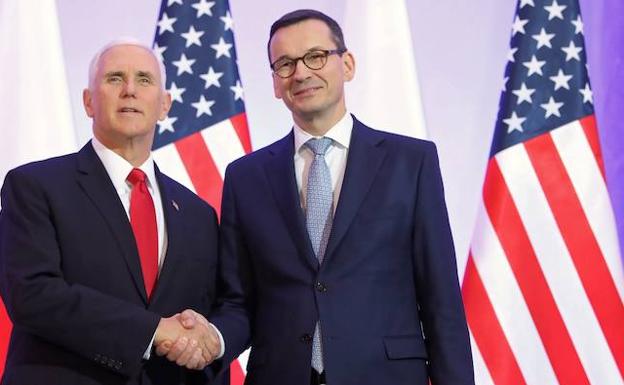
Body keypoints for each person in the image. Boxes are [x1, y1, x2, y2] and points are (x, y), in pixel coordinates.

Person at [168, 9, 474, 385]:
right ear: (276, 83)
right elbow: (239, 300)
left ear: (347, 64)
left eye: (315, 56)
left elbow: (441, 300)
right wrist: (211, 340)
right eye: (285, 64)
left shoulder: (411, 162)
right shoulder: (245, 177)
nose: (300, 73)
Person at [0, 39, 222, 385]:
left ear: (165, 105)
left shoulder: (198, 214)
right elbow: (31, 294)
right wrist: (153, 332)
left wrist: (203, 336)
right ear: (88, 102)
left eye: (144, 80)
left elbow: (208, 312)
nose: (130, 90)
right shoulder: (34, 186)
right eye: (115, 78)